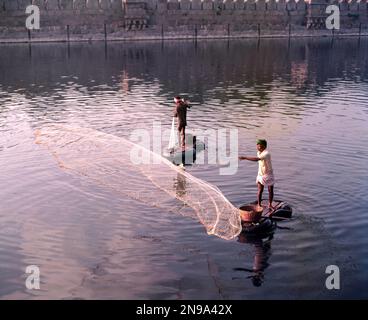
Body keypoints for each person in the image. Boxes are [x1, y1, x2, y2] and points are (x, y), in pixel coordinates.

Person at [239, 139, 275, 209]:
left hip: (268, 174)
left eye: (260, 146)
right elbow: (258, 159)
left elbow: (257, 159)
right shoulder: (258, 152)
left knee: (270, 190)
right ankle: (259, 204)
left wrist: (245, 157)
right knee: (260, 190)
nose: (258, 148)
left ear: (264, 147)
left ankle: (270, 204)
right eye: (257, 146)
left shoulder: (266, 153)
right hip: (260, 174)